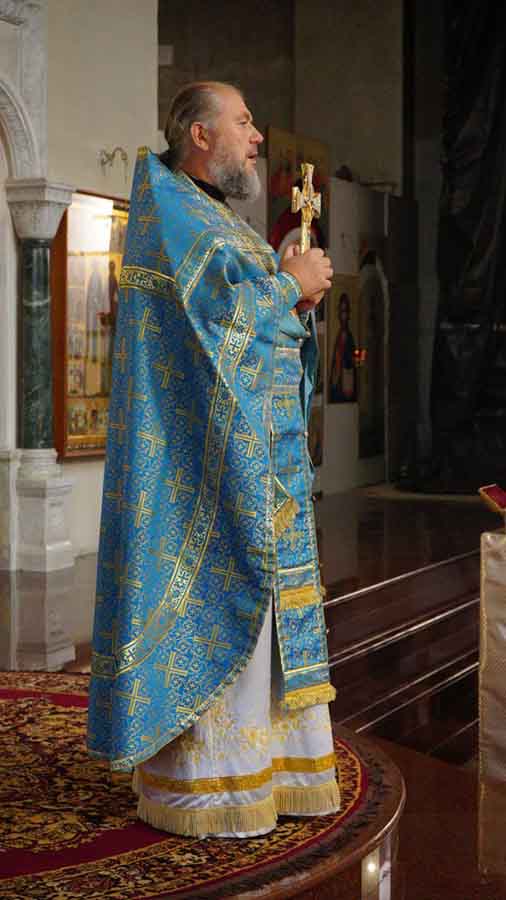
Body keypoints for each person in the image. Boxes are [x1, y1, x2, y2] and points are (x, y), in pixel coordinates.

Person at [87, 81, 339, 838]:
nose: (258, 137)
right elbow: (212, 330)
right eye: (244, 122)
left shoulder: (214, 219)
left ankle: (268, 770)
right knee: (229, 608)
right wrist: (285, 286)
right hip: (204, 476)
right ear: (200, 135)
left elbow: (253, 331)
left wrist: (292, 299)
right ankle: (210, 787)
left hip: (260, 465)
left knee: (266, 622)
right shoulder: (171, 213)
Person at [329, 292, 357, 402]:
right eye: (341, 312)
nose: (342, 316)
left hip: (345, 386)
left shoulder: (348, 336)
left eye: (345, 311)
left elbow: (352, 363)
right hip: (337, 384)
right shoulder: (340, 335)